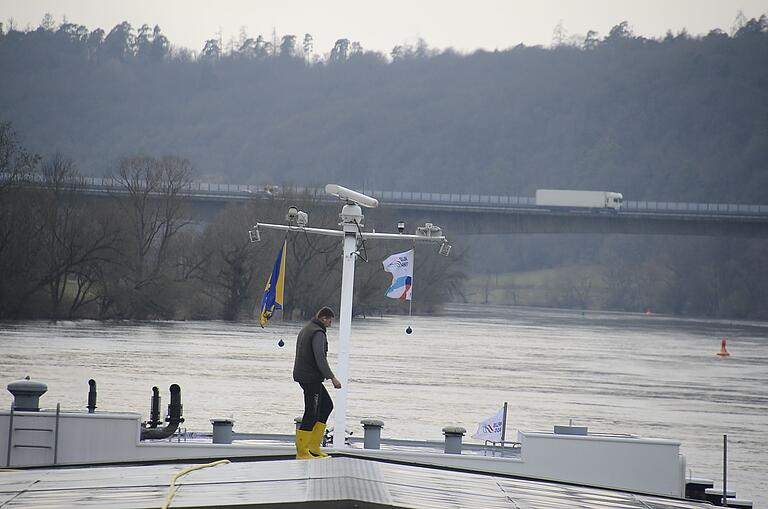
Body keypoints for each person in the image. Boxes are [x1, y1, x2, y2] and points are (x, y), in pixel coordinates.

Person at [293, 306, 342, 459]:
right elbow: (320, 358)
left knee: (327, 406)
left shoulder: (308, 328)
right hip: (310, 378)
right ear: (323, 318)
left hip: (306, 376)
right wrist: (332, 377)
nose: (330, 323)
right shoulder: (318, 333)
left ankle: (313, 448)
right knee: (311, 413)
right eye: (329, 320)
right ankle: (302, 452)